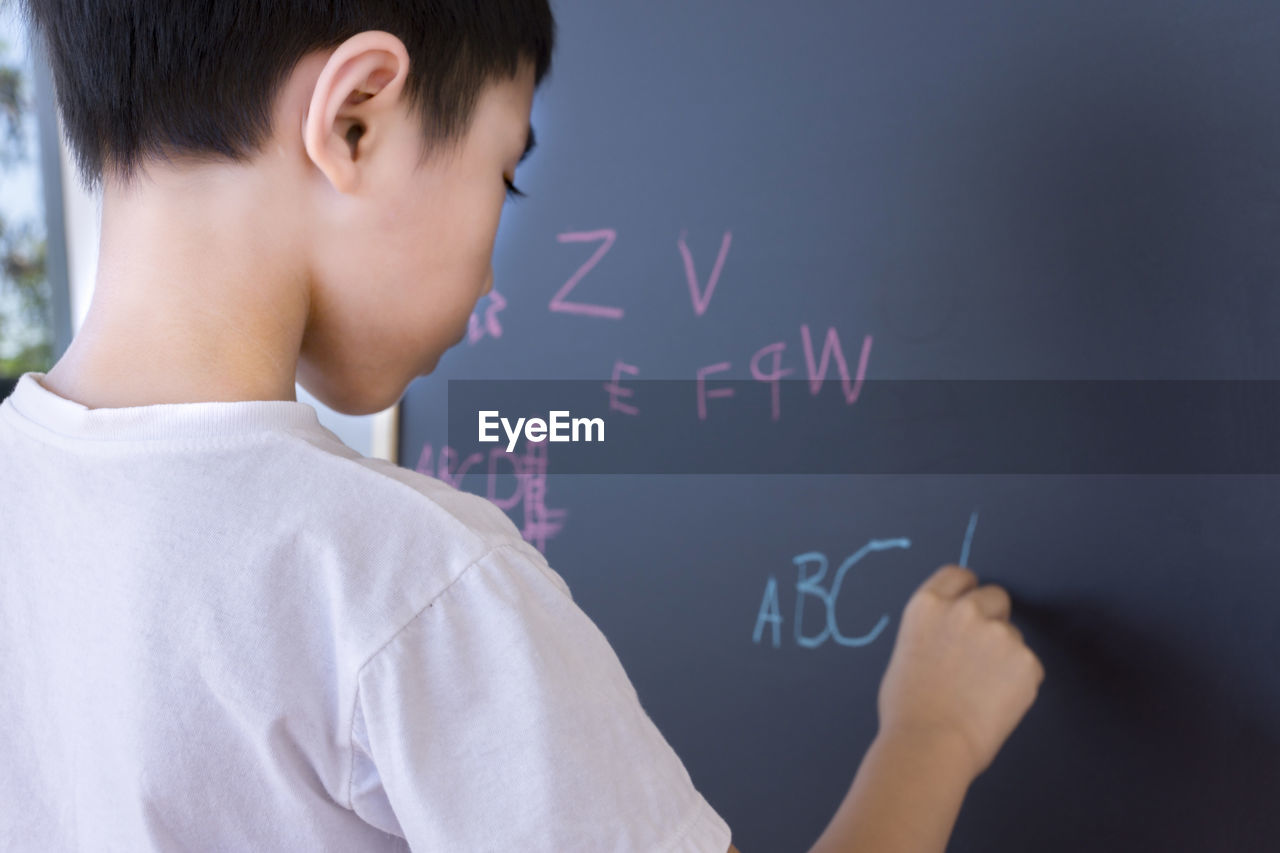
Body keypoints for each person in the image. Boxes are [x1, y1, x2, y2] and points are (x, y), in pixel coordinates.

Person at [0, 1, 1043, 850]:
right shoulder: (408, 582)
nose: (497, 274)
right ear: (356, 116)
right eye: (505, 175)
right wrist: (929, 736)